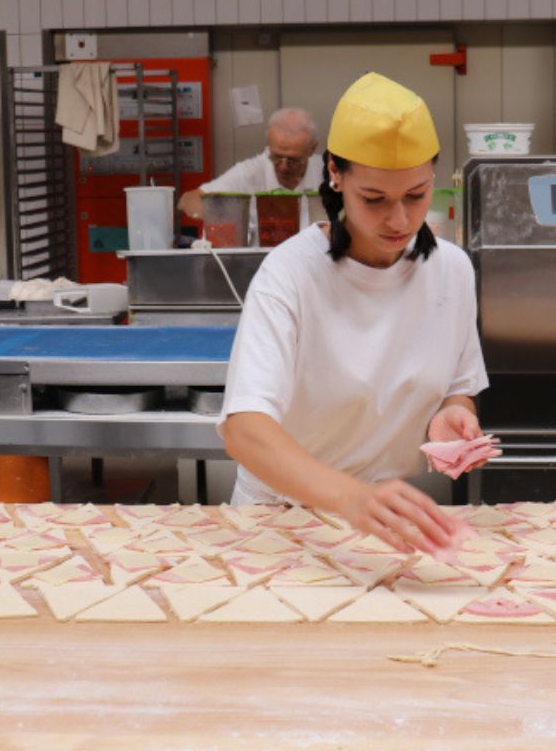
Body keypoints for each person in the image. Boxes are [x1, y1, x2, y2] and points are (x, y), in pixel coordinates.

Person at [219, 74, 488, 553]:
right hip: (280, 520)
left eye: (416, 195)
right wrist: (352, 499)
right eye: (375, 199)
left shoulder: (452, 270)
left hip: (390, 522)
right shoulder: (290, 274)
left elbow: (458, 387)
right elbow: (244, 428)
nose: (401, 220)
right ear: (335, 176)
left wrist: (451, 414)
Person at [179, 107, 323, 223]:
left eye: (293, 160)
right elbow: (187, 200)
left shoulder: (327, 172)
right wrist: (225, 221)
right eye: (277, 157)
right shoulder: (250, 172)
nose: (283, 166)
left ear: (312, 149)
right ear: (269, 145)